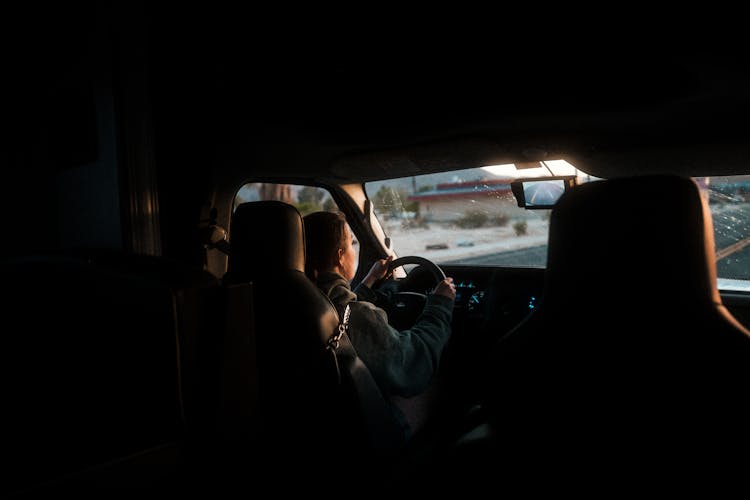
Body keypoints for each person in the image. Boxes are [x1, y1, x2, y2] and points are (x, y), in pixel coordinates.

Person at [302, 210, 456, 441]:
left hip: (319, 416)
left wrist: (369, 282)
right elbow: (410, 365)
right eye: (352, 243)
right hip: (361, 428)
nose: (354, 249)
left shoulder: (301, 299)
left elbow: (340, 307)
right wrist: (440, 306)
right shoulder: (358, 315)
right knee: (442, 382)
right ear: (340, 256)